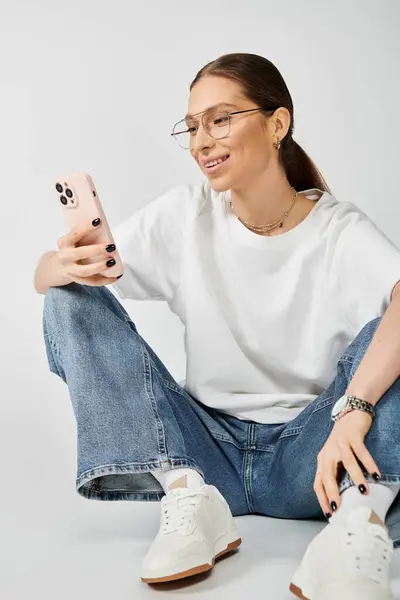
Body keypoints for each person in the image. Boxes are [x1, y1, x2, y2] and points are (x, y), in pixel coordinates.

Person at [34, 53, 400, 599]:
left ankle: (356, 524)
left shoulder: (338, 231)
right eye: (193, 125)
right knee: (68, 298)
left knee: (391, 334)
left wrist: (354, 409)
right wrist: (60, 266)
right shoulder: (186, 215)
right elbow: (47, 278)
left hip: (313, 459)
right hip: (204, 457)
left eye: (221, 118)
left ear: (278, 124)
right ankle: (189, 500)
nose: (202, 140)